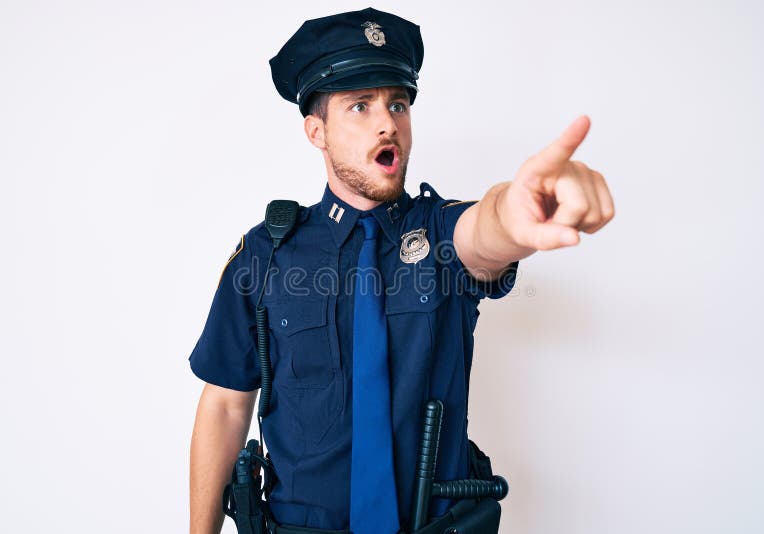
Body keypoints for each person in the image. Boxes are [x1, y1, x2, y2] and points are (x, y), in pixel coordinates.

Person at [188, 7, 614, 534]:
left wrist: (517, 210)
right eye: (360, 106)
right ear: (316, 131)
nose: (388, 121)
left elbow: (485, 230)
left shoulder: (437, 232)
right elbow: (227, 405)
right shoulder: (266, 254)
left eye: (398, 104)